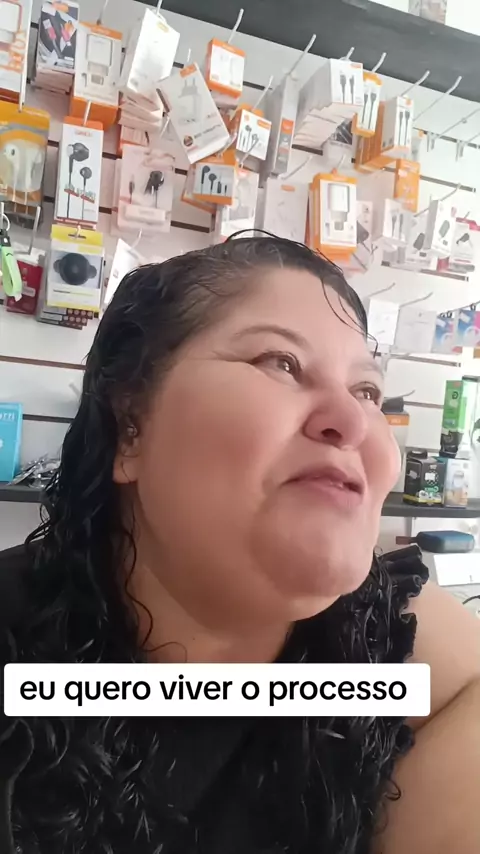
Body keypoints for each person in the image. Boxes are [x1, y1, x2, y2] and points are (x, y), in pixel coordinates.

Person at [0, 236, 478, 854]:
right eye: (281, 362)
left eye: (367, 391)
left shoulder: (413, 658)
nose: (353, 422)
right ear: (130, 430)